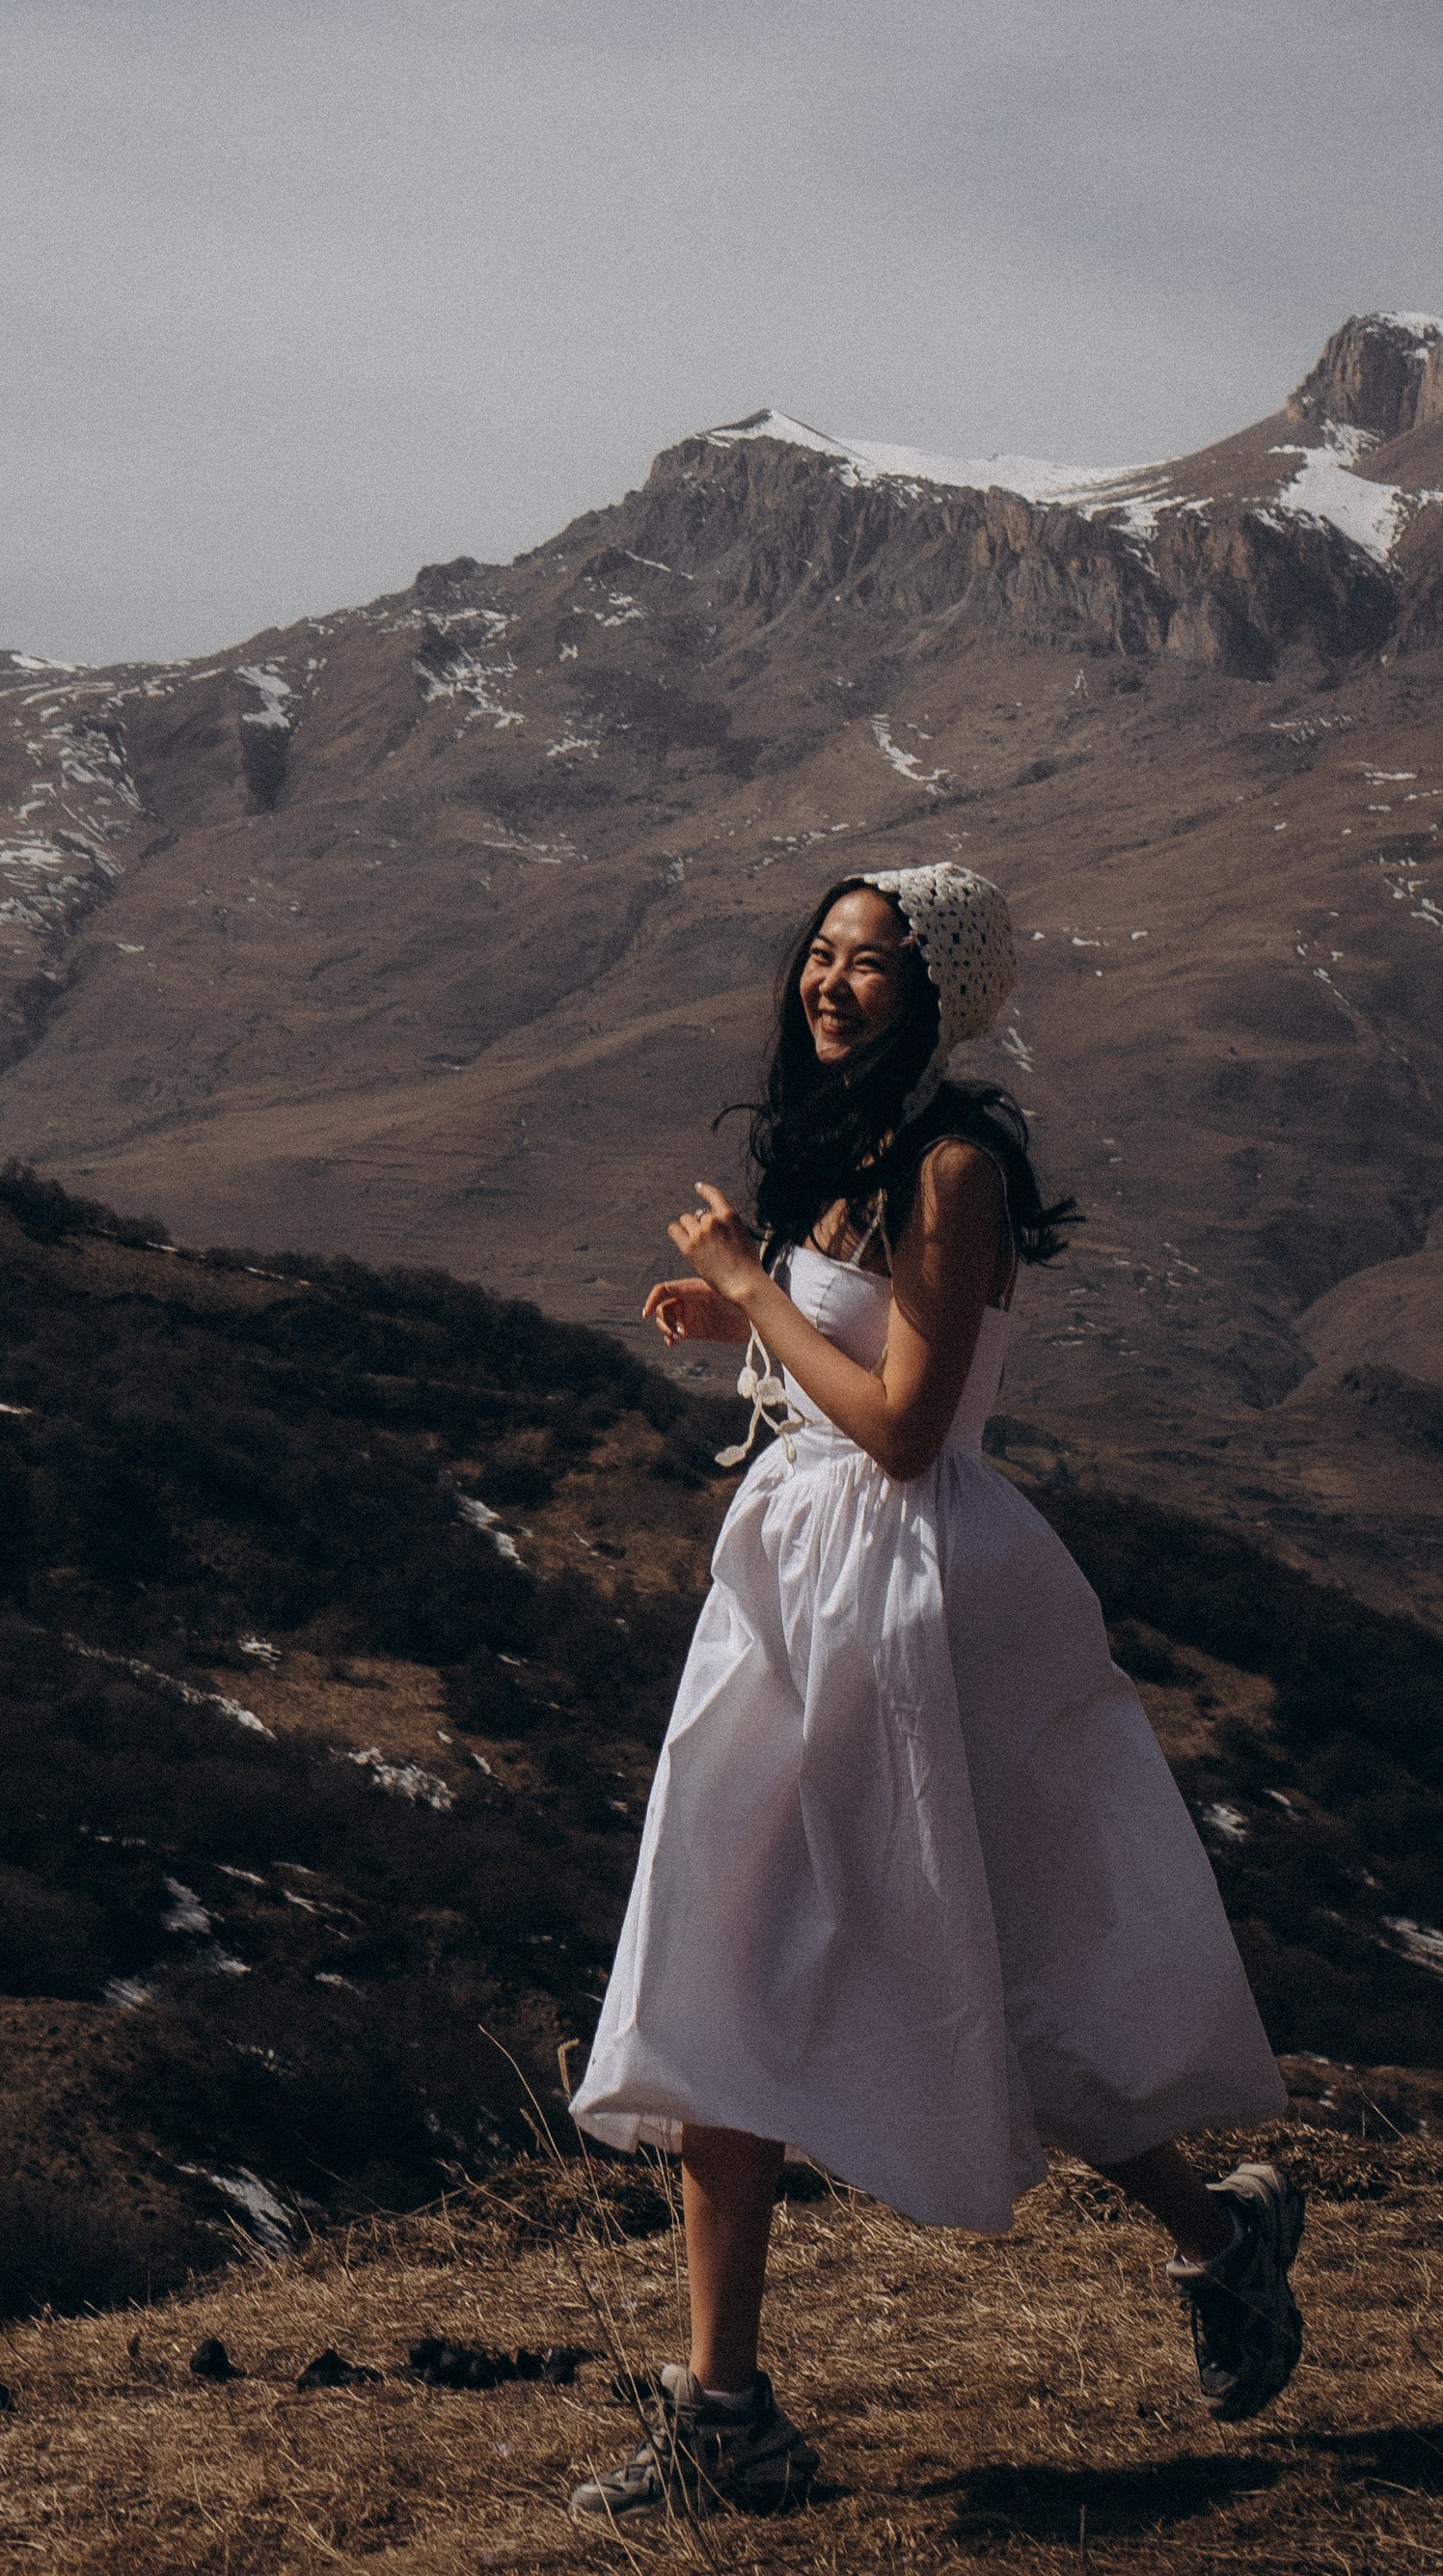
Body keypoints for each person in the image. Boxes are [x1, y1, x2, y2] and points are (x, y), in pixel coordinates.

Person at [564, 863, 1301, 2526]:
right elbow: (840, 1387)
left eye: (870, 966)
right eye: (819, 956)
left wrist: (753, 1286)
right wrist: (743, 1325)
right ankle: (729, 2409)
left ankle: (1218, 2231)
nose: (830, 985)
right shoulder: (838, 1153)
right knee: (722, 1959)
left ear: (940, 992)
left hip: (914, 1607)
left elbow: (907, 1426)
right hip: (803, 1596)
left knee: (988, 1963)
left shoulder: (953, 1164)